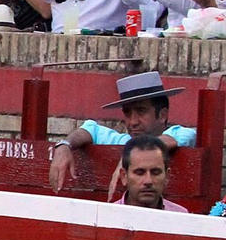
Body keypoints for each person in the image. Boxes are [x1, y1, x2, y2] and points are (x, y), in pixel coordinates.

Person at [49, 72, 197, 192]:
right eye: (127, 113)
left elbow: (176, 138)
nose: (132, 122)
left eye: (141, 111)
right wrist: (64, 145)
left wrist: (131, 155)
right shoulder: (123, 141)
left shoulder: (180, 133)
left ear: (162, 115)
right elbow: (90, 129)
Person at [115, 135, 189, 212]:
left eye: (155, 173)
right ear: (124, 176)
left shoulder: (180, 217)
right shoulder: (108, 217)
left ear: (167, 176)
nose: (148, 181)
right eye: (140, 173)